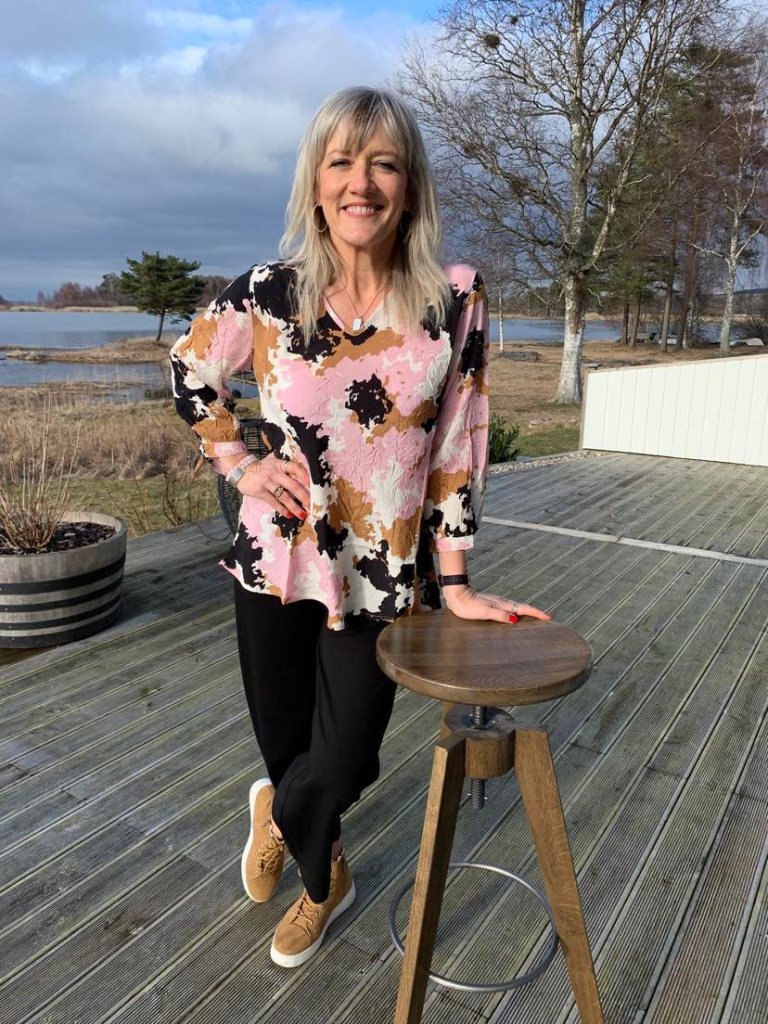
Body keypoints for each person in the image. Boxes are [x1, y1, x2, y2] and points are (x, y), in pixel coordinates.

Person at [170, 86, 550, 970]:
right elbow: (191, 368)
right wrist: (238, 463)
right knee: (286, 741)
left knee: (343, 759)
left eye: (383, 164)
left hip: (384, 573)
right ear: (315, 182)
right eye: (341, 162)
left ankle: (280, 814)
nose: (361, 183)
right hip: (275, 559)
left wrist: (456, 581)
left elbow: (458, 443)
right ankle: (323, 879)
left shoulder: (451, 300)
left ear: (410, 185)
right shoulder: (268, 295)